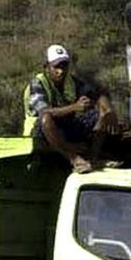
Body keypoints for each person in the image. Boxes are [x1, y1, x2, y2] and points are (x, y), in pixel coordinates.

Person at [23, 44, 119, 174]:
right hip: (41, 133)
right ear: (47, 67)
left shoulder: (71, 81)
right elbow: (44, 111)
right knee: (46, 118)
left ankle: (92, 158)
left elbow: (97, 94)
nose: (61, 71)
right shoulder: (38, 84)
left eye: (64, 66)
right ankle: (74, 158)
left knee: (101, 114)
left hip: (66, 127)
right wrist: (74, 107)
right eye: (56, 67)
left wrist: (109, 110)